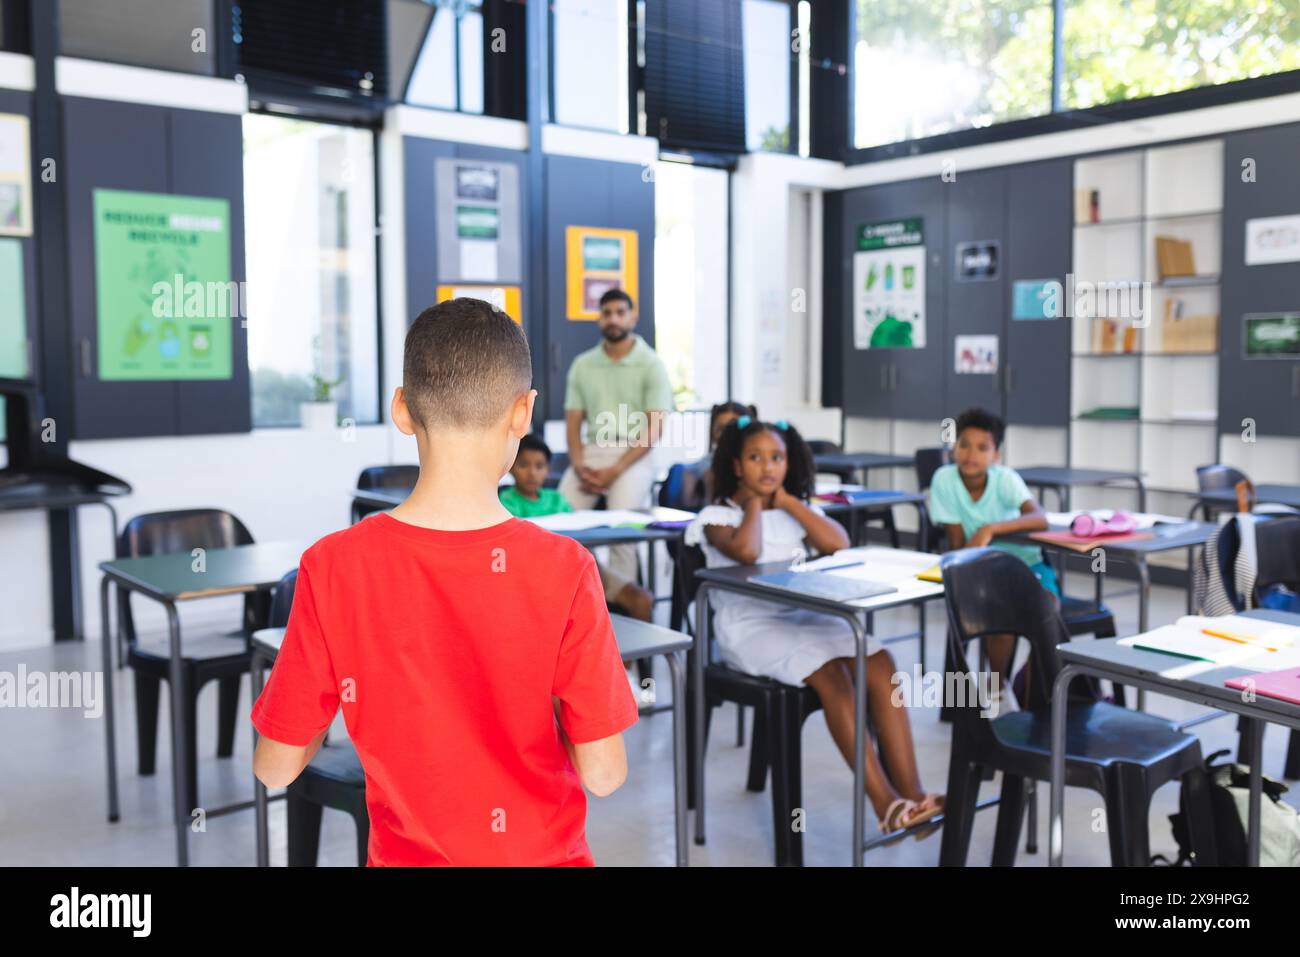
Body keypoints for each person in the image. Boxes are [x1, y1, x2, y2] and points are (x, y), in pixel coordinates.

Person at [252, 298, 638, 866]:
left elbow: (275, 766)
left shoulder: (332, 565)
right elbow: (604, 773)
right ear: (522, 414)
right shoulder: (566, 569)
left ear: (402, 410)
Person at [687, 416, 943, 834]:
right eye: (755, 458)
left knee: (880, 660)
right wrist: (753, 503)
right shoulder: (717, 515)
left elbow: (837, 543)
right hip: (749, 628)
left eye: (777, 458)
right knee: (834, 676)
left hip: (800, 616)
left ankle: (914, 795)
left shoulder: (793, 511)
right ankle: (885, 804)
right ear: (737, 466)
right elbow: (748, 552)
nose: (767, 467)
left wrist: (788, 503)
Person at [927, 407, 1052, 691]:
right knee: (1001, 617)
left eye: (982, 448)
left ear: (996, 455)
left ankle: (1032, 693)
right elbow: (957, 544)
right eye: (964, 445)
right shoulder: (944, 480)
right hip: (981, 569)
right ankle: (998, 691)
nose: (971, 454)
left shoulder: (1004, 479)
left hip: (1027, 565)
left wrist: (990, 529)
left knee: (1049, 612)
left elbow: (1039, 518)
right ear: (953, 447)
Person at [561, 288, 674, 584]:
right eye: (607, 313)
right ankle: (590, 592)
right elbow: (572, 422)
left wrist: (616, 470)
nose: (613, 319)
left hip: (633, 456)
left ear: (632, 317)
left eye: (620, 312)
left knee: (622, 527)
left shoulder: (652, 365)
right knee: (559, 522)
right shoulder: (583, 364)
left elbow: (654, 429)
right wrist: (577, 463)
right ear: (599, 318)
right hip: (591, 453)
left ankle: (624, 604)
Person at [502, 433, 654, 622]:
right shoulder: (505, 502)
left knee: (642, 600)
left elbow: (579, 539)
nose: (532, 473)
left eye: (539, 466)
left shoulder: (558, 499)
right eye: (524, 465)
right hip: (542, 581)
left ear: (548, 469)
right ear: (510, 467)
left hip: (581, 569)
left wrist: (593, 566)